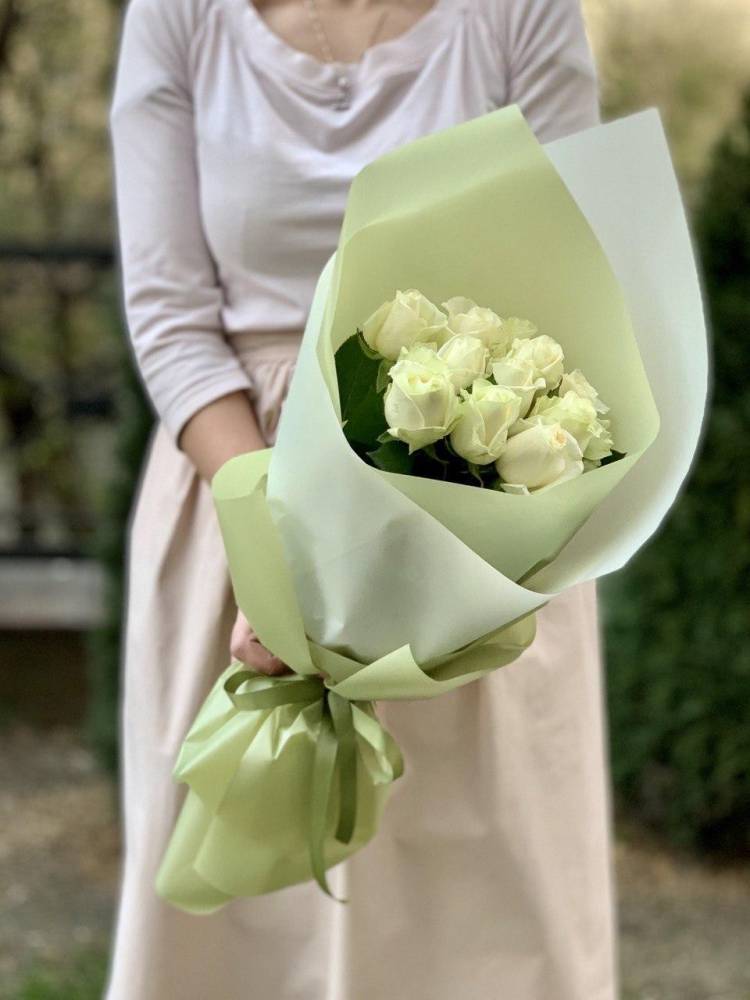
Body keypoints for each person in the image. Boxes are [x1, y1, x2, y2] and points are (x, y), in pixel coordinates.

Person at [104, 0, 618, 997]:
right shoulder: (179, 15)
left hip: (474, 511)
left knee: (479, 917)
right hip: (235, 495)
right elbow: (169, 309)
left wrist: (419, 522)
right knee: (246, 926)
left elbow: (580, 279)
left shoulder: (520, 14)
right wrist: (276, 551)